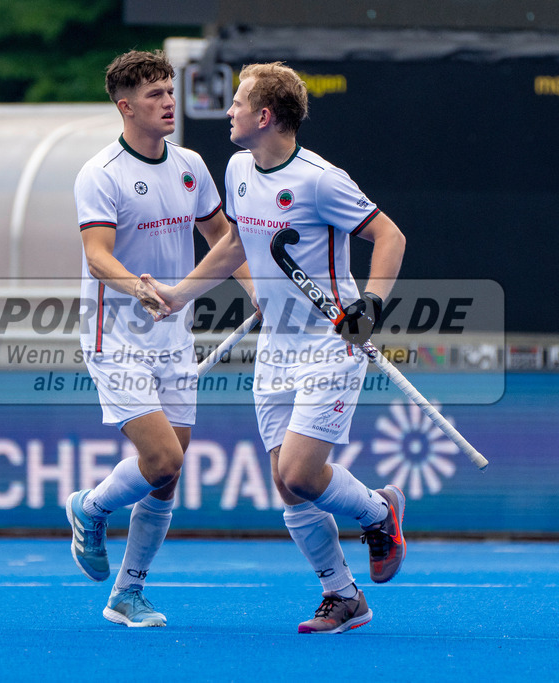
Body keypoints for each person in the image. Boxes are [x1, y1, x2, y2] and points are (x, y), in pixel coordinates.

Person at [143, 62, 408, 634]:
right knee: (287, 486)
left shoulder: (321, 180)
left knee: (302, 473)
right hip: (277, 347)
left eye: (238, 103)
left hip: (331, 343)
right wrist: (179, 294)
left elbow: (390, 235)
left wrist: (371, 306)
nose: (229, 111)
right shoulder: (239, 168)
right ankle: (343, 595)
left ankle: (379, 512)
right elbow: (236, 244)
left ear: (264, 116)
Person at [66, 50, 251, 628]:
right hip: (115, 336)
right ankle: (90, 507)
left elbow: (225, 240)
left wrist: (261, 294)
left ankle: (127, 593)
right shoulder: (101, 173)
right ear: (125, 106)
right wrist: (138, 288)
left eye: (170, 91)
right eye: (155, 95)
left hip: (174, 338)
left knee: (168, 475)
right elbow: (97, 257)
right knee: (162, 457)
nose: (169, 103)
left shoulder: (191, 165)